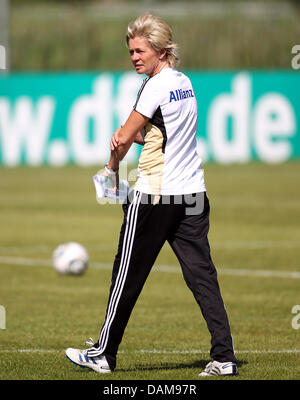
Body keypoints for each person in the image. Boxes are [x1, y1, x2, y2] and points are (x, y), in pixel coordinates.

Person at [66, 13, 238, 377]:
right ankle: (224, 357)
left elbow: (125, 136)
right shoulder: (184, 82)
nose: (134, 57)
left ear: (160, 50)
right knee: (202, 276)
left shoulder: (155, 86)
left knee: (125, 274)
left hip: (155, 198)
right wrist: (133, 136)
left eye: (139, 50)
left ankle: (103, 354)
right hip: (192, 195)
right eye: (130, 51)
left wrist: (111, 170)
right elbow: (162, 134)